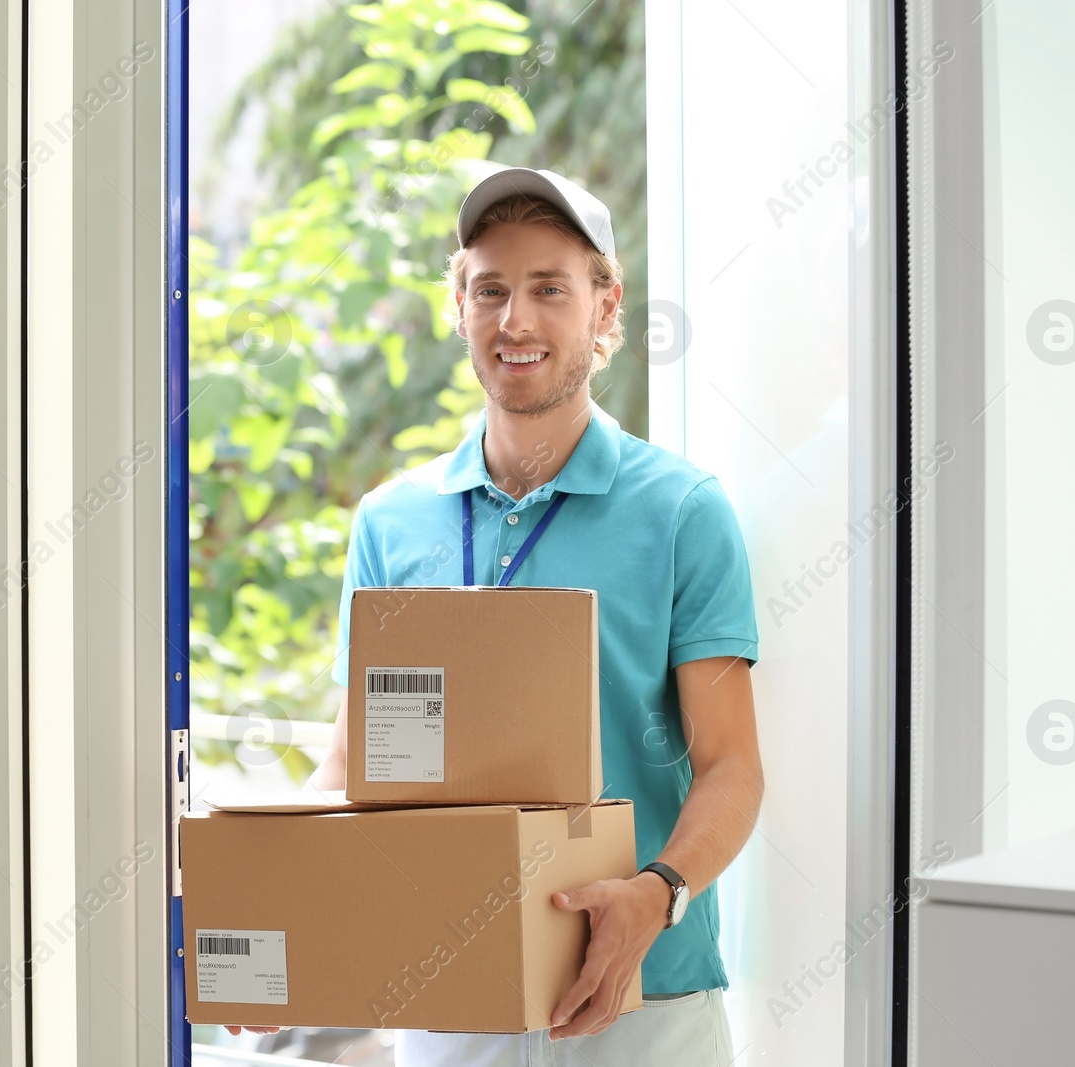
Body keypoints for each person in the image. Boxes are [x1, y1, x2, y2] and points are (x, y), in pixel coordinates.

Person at [232, 167, 763, 1065]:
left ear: (604, 307)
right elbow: (356, 759)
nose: (515, 320)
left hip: (645, 1005)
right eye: (491, 290)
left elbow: (732, 766)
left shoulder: (680, 512)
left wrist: (658, 891)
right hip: (451, 1003)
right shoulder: (392, 522)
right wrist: (285, 914)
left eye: (549, 288)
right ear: (460, 309)